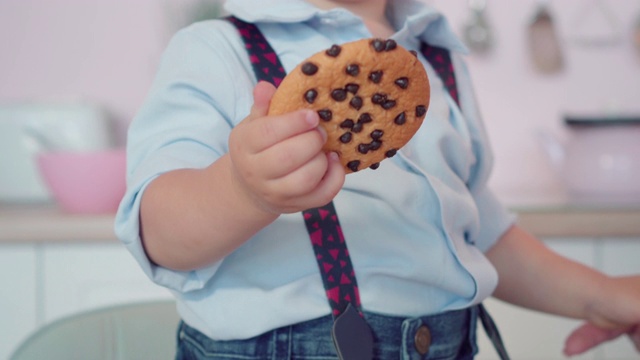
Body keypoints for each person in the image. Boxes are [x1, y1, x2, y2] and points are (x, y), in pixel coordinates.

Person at [115, 0, 640, 359]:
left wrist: (603, 295)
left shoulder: (437, 59)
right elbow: (158, 231)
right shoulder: (215, 50)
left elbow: (475, 231)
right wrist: (241, 189)